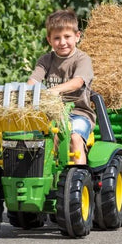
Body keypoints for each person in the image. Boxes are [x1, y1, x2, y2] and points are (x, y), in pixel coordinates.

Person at [27, 9, 96, 165]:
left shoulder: (82, 59)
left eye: (67, 37)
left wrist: (53, 90)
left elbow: (77, 82)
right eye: (57, 38)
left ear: (77, 36)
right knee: (35, 138)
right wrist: (26, 92)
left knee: (73, 137)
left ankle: (79, 179)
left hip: (78, 114)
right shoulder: (46, 60)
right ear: (49, 40)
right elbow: (33, 80)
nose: (62, 42)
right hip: (51, 115)